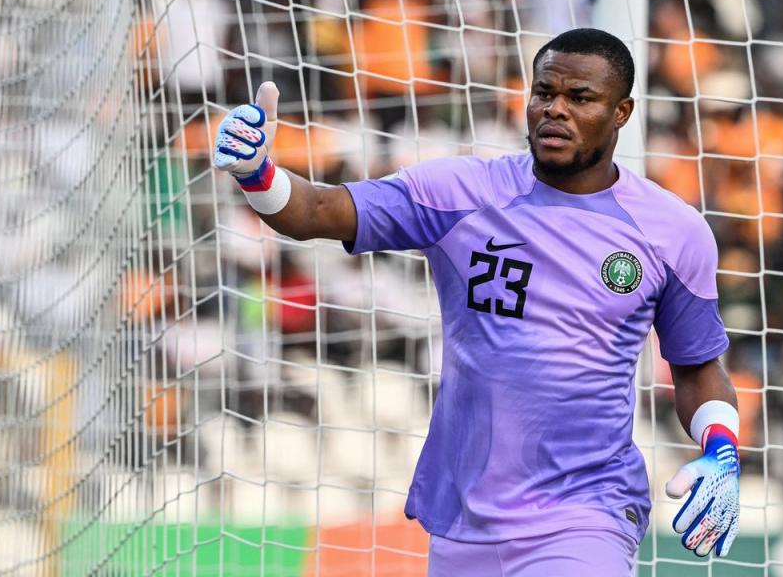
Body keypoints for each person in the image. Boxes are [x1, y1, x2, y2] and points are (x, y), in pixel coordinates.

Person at [213, 28, 740, 576]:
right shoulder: (460, 192)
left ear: (621, 111)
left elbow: (697, 365)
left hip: (586, 513)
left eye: (580, 98)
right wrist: (258, 173)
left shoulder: (673, 232)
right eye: (543, 92)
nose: (554, 110)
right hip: (466, 521)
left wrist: (720, 446)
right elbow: (318, 211)